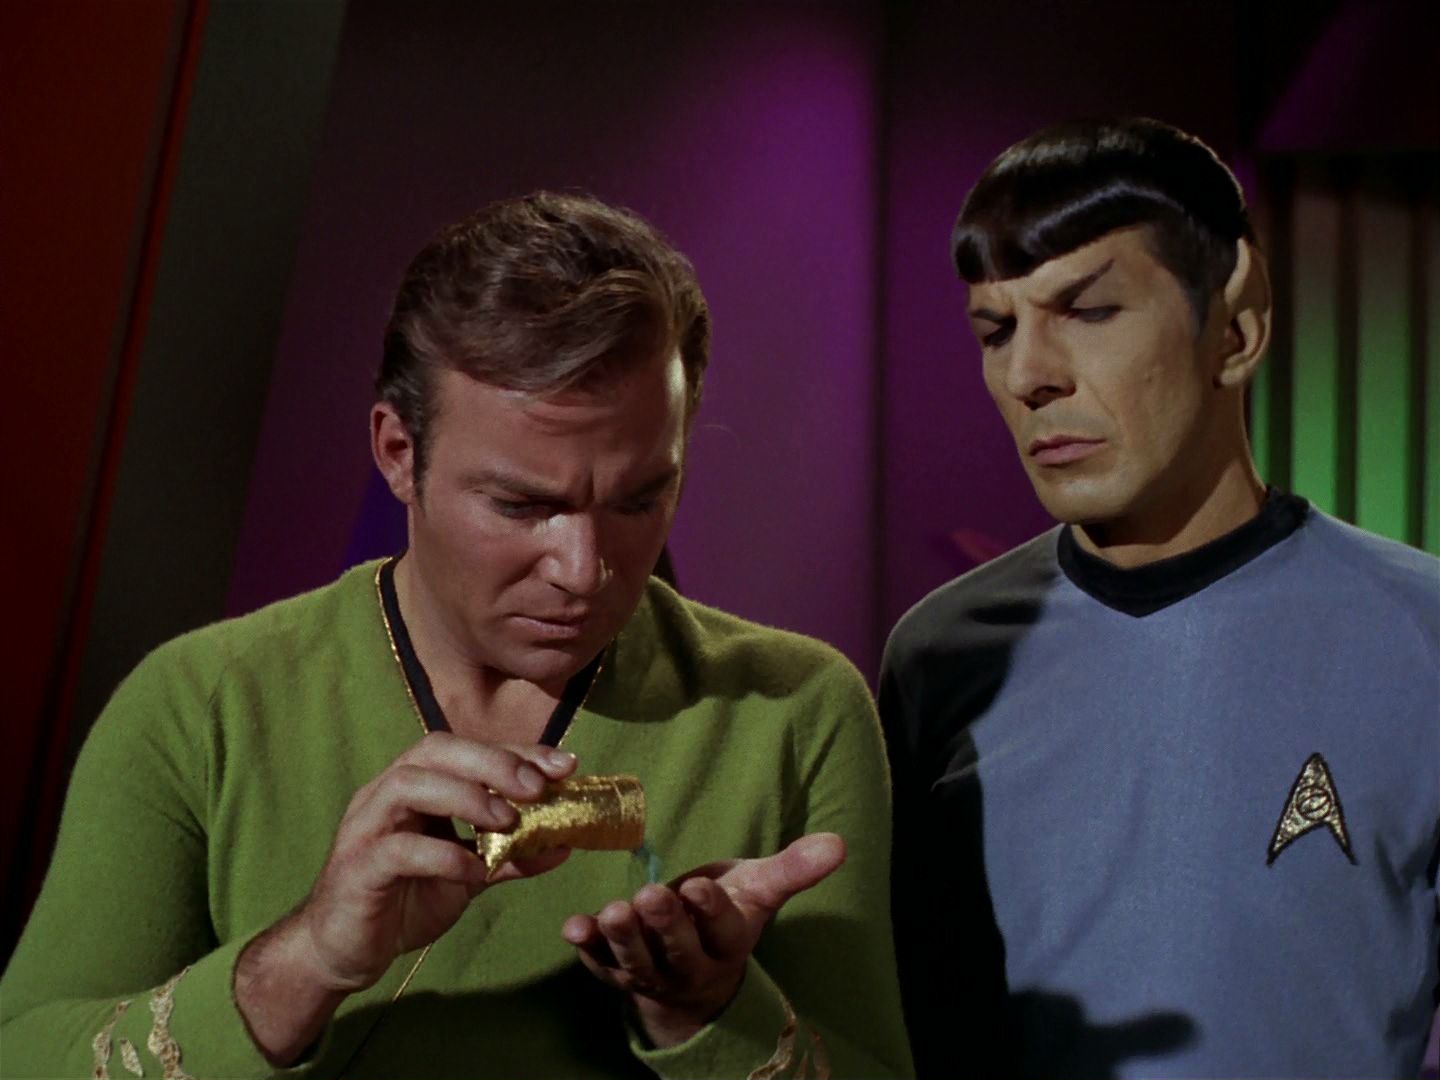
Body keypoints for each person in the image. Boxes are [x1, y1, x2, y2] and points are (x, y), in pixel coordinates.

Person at [2, 192, 914, 1079]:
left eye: (640, 500)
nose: (583, 568)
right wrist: (309, 959)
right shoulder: (201, 703)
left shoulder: (793, 712)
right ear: (399, 453)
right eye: (520, 505)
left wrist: (711, 1015)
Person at [880, 117, 1439, 1079]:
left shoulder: (1420, 637)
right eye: (996, 330)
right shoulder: (940, 654)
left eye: (1090, 311)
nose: (1030, 376)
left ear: (1236, 330)